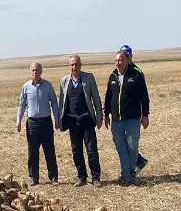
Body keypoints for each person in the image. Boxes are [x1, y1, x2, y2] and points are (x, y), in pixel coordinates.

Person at [104, 51, 150, 185]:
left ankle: (129, 173)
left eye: (120, 60)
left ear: (127, 60)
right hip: (116, 121)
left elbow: (144, 97)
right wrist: (106, 115)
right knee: (121, 149)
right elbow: (108, 97)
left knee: (132, 147)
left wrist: (145, 115)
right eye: (116, 61)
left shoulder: (136, 75)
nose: (118, 63)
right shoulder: (112, 76)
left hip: (132, 120)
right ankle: (127, 175)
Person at [58, 55, 103, 187]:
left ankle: (96, 177)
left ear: (80, 65)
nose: (74, 67)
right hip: (72, 122)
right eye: (72, 65)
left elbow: (96, 99)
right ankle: (81, 176)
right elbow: (62, 103)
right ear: (69, 66)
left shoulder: (88, 78)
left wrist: (99, 117)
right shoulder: (64, 81)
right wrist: (59, 120)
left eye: (76, 64)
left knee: (91, 150)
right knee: (76, 151)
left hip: (87, 120)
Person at [16, 62, 60, 186]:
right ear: (30, 72)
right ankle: (34, 177)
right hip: (32, 123)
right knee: (32, 152)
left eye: (37, 70)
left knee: (49, 151)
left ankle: (53, 177)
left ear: (41, 71)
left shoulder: (47, 86)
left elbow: (54, 103)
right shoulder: (26, 87)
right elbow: (22, 105)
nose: (35, 72)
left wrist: (57, 119)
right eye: (33, 70)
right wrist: (18, 120)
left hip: (46, 122)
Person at [119, 44, 149, 175]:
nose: (125, 58)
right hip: (121, 115)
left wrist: (145, 114)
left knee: (131, 143)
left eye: (127, 55)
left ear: (130, 56)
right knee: (123, 144)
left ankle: (137, 163)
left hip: (133, 113)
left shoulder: (136, 72)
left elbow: (143, 95)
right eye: (123, 55)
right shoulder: (120, 71)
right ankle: (136, 163)